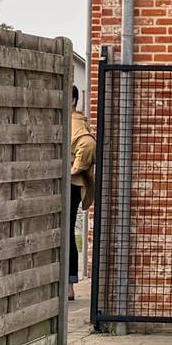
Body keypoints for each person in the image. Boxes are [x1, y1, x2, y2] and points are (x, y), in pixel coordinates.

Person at [66, 98, 97, 295]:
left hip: (70, 185)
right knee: (67, 231)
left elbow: (87, 145)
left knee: (66, 231)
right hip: (73, 185)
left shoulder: (73, 121)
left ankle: (68, 286)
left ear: (73, 100)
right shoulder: (73, 119)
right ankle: (68, 286)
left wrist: (72, 171)